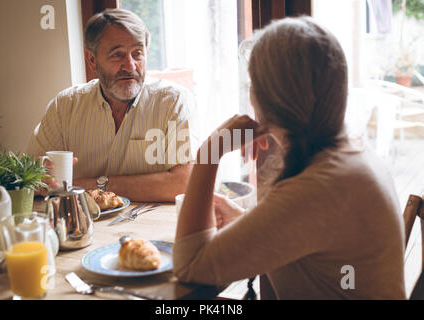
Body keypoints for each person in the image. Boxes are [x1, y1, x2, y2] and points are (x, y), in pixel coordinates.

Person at [173, 16, 406, 299]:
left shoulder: (318, 186)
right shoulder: (348, 154)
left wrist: (210, 152)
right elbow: (312, 231)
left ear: (269, 99)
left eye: (253, 84)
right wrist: (244, 220)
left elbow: (191, 265)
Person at [27, 9, 197, 202]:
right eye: (117, 55)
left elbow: (185, 183)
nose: (131, 66)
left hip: (151, 227)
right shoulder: (64, 106)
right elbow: (29, 176)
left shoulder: (172, 102)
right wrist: (41, 176)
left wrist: (89, 185)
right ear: (92, 60)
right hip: (81, 225)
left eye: (137, 54)